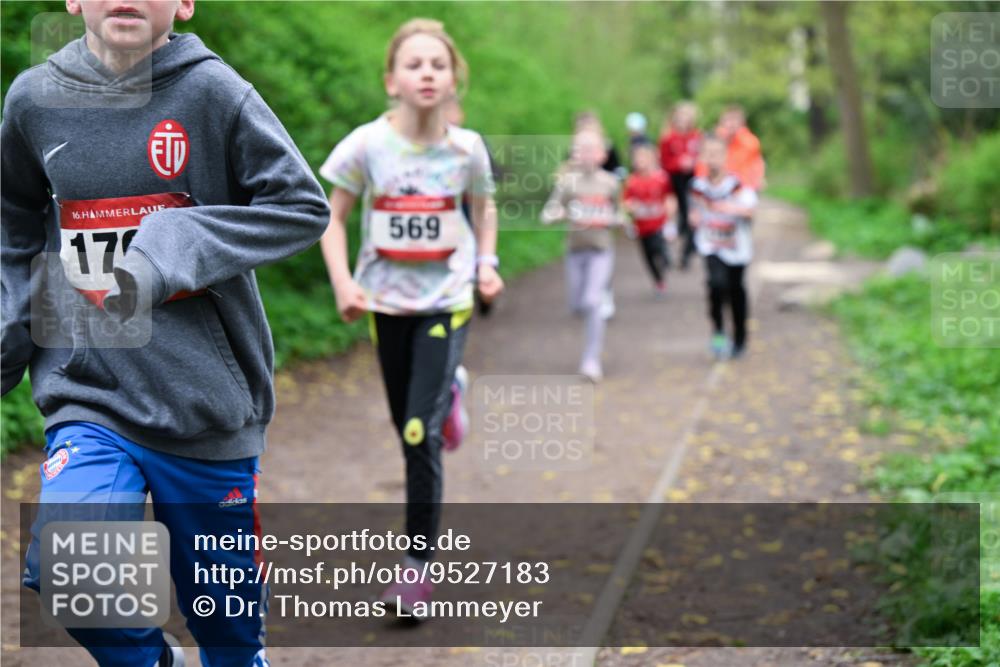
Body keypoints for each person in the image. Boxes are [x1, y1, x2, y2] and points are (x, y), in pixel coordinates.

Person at [1, 1, 330, 665]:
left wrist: (176, 238)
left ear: (183, 2)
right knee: (76, 571)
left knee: (229, 640)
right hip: (89, 393)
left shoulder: (214, 92)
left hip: (204, 405)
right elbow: (13, 220)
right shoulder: (33, 100)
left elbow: (300, 207)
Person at [317, 18, 503, 613]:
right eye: (415, 64)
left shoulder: (467, 149)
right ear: (392, 80)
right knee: (407, 425)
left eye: (438, 65)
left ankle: (416, 568)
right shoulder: (367, 144)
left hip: (447, 299)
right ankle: (448, 391)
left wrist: (487, 264)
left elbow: (483, 207)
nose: (427, 73)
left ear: (454, 81)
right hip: (385, 302)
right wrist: (345, 283)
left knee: (418, 435)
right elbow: (332, 216)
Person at [542, 129, 623, 382]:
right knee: (578, 304)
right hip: (575, 252)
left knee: (592, 301)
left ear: (602, 154)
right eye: (581, 149)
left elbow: (620, 214)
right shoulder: (568, 183)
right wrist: (557, 215)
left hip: (601, 252)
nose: (586, 155)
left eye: (591, 149)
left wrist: (617, 220)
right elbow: (548, 212)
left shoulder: (610, 183)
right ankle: (590, 348)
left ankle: (591, 360)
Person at [689, 136, 759, 360]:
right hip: (711, 245)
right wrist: (694, 218)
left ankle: (740, 337)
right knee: (716, 286)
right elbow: (693, 213)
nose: (712, 159)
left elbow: (750, 211)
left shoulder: (736, 185)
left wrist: (729, 208)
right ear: (702, 157)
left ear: (725, 156)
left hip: (737, 249)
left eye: (717, 154)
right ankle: (718, 333)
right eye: (708, 154)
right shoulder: (698, 186)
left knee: (736, 291)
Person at [623, 142, 676, 295]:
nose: (641, 162)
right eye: (638, 159)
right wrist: (630, 207)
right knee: (648, 256)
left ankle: (665, 257)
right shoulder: (631, 181)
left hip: (658, 223)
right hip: (641, 226)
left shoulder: (661, 178)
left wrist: (670, 218)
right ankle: (658, 280)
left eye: (644, 158)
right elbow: (625, 202)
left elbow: (670, 197)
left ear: (652, 159)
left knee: (657, 247)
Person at [659, 101, 702, 268]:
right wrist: (679, 163)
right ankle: (666, 253)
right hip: (674, 180)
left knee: (692, 215)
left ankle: (687, 252)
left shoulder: (697, 136)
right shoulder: (668, 138)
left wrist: (693, 163)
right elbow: (663, 162)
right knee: (673, 214)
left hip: (692, 180)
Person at [712, 104, 766, 192]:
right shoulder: (716, 138)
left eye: (735, 120)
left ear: (742, 123)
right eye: (728, 120)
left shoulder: (750, 141)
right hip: (719, 181)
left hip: (743, 184)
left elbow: (755, 163)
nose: (731, 124)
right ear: (722, 122)